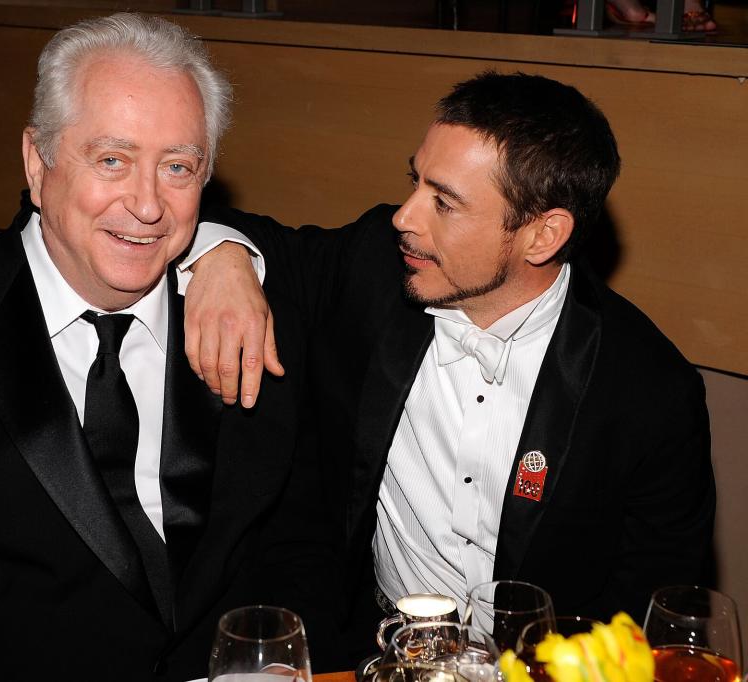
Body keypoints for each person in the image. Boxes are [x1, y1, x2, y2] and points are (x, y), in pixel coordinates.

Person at [0, 14, 336, 680]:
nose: (146, 204)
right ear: (37, 161)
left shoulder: (251, 322)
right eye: (112, 160)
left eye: (178, 167)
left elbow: (301, 556)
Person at [186, 71, 715, 646]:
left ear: (543, 236)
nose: (404, 218)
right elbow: (255, 236)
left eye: (445, 203)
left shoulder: (649, 390)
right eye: (415, 182)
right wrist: (223, 260)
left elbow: (655, 607)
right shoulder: (376, 268)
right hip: (370, 644)